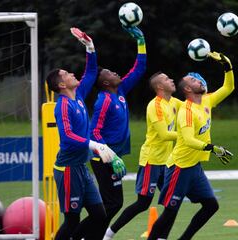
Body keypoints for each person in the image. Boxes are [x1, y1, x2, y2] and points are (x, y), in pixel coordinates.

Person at [148, 51, 235, 240]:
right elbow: (187, 140)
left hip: (194, 167)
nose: (200, 82)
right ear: (187, 89)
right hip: (180, 166)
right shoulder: (186, 111)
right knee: (170, 212)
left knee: (211, 205)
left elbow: (228, 88)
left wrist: (227, 66)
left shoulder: (207, 100)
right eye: (194, 81)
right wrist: (212, 148)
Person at [46, 28, 121, 240]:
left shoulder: (77, 95)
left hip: (80, 167)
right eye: (67, 74)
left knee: (99, 214)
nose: (72, 74)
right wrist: (95, 145)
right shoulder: (62, 106)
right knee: (72, 220)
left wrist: (90, 47)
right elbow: (68, 136)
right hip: (68, 169)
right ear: (61, 85)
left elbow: (90, 73)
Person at [103, 72, 182, 239]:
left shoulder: (174, 102)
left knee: (173, 202)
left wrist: (204, 94)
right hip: (152, 160)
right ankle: (109, 233)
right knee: (143, 203)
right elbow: (164, 135)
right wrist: (188, 136)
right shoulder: (155, 106)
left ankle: (161, 237)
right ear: (160, 87)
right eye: (168, 79)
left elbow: (193, 108)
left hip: (167, 162)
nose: (172, 79)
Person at [89, 25, 147, 225]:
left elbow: (139, 69)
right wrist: (111, 157)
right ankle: (81, 234)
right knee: (111, 204)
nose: (115, 73)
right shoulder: (103, 100)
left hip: (114, 156)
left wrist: (141, 43)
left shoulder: (120, 90)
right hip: (102, 158)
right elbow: (93, 132)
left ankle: (91, 235)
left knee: (113, 204)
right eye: (110, 73)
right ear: (105, 83)